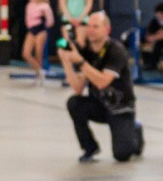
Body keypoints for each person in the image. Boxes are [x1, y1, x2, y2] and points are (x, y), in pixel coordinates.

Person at [59, 11, 141, 163]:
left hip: (121, 108)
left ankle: (134, 131)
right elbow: (78, 88)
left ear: (107, 29)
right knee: (74, 103)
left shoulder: (116, 50)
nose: (90, 30)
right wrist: (66, 61)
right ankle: (89, 147)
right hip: (99, 105)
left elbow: (103, 81)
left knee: (122, 155)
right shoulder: (86, 51)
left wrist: (81, 63)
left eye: (95, 26)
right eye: (88, 26)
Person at [22, 0, 57, 86]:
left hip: (40, 29)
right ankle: (39, 70)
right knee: (26, 53)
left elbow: (51, 21)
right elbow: (27, 18)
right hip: (31, 29)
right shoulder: (29, 5)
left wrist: (43, 24)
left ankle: (39, 75)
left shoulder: (44, 6)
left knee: (38, 53)